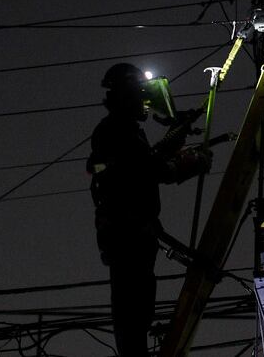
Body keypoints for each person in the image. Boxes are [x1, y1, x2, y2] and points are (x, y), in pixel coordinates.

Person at [87, 63, 210, 356]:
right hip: (128, 233)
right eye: (139, 94)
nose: (145, 102)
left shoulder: (123, 131)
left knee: (137, 310)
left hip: (131, 233)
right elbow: (148, 168)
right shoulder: (116, 131)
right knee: (133, 313)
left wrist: (177, 137)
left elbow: (144, 161)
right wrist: (189, 163)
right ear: (126, 95)